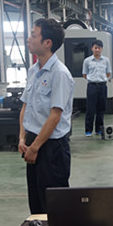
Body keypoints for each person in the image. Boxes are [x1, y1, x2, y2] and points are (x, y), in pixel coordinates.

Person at [18, 18, 74, 215]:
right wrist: (22, 138)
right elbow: (25, 106)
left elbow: (55, 116)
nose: (28, 39)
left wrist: (35, 147)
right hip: (32, 142)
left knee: (55, 205)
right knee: (36, 202)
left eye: (33, 36)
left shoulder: (60, 74)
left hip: (52, 148)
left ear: (47, 42)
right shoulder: (33, 71)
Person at [82, 39, 111, 137]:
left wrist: (101, 79)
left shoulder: (106, 60)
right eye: (95, 48)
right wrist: (93, 79)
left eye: (99, 48)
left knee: (101, 108)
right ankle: (88, 130)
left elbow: (108, 73)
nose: (97, 50)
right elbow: (85, 74)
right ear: (92, 49)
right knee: (90, 108)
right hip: (92, 86)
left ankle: (99, 129)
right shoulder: (87, 61)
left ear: (102, 49)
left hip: (102, 86)